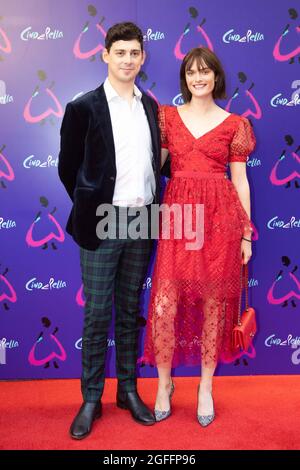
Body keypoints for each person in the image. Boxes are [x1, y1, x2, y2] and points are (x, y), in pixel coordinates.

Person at [58, 22, 162, 439]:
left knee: (129, 311)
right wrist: (91, 203)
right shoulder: (83, 107)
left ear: (142, 57)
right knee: (98, 312)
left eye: (134, 53)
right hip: (103, 219)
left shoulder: (150, 106)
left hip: (143, 219)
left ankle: (129, 391)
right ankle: (90, 398)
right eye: (120, 52)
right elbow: (68, 168)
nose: (128, 60)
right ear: (105, 55)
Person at [142, 47, 256, 426]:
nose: (198, 78)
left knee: (212, 304)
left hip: (220, 220)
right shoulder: (166, 118)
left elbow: (240, 181)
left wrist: (246, 235)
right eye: (191, 72)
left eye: (205, 71)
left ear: (216, 76)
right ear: (184, 78)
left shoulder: (234, 124)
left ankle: (205, 387)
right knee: (164, 303)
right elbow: (152, 166)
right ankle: (164, 384)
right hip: (177, 218)